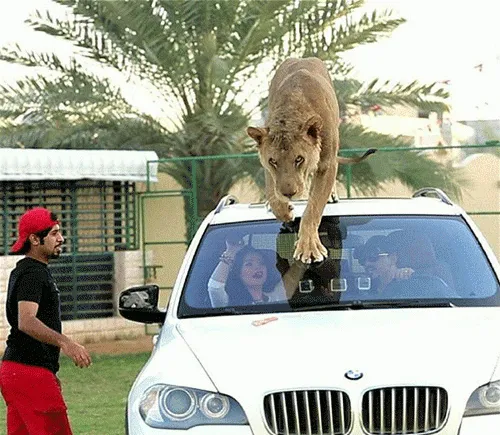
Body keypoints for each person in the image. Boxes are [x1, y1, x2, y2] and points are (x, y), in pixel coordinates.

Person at [0, 207, 92, 435]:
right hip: (28, 372)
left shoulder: (29, 271)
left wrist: (49, 371)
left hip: (19, 371)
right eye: (53, 233)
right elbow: (26, 320)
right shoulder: (33, 274)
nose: (61, 238)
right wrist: (66, 343)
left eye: (59, 232)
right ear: (34, 239)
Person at [207, 237, 306, 307]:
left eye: (262, 263)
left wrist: (305, 251)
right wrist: (231, 251)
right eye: (249, 264)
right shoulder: (228, 302)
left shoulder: (275, 297)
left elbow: (295, 273)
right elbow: (214, 287)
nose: (257, 268)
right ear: (238, 273)